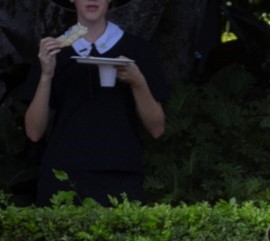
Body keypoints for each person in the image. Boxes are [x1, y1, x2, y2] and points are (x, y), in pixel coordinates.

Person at [21, 0, 168, 205]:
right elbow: (33, 132)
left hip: (121, 175)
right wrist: (46, 74)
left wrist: (138, 82)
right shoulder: (53, 51)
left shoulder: (137, 49)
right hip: (62, 176)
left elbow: (157, 128)